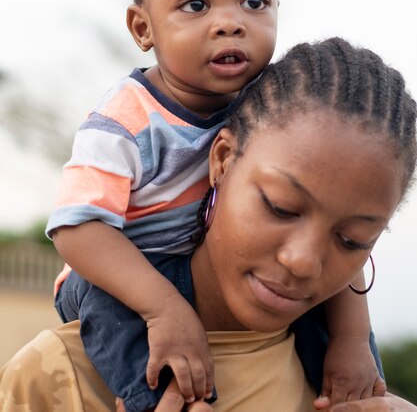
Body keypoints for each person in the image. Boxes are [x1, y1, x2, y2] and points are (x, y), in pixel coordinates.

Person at [45, 0, 381, 411]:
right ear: (143, 28)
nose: (231, 23)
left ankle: (345, 392)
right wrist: (162, 308)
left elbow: (329, 215)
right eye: (196, 5)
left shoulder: (276, 108)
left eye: (254, 1)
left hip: (204, 266)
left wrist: (355, 341)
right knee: (119, 313)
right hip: (121, 271)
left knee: (323, 300)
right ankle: (164, 398)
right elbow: (77, 227)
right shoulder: (125, 123)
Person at [1, 37, 417, 412]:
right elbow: (76, 223)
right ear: (221, 160)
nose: (303, 261)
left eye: (351, 240)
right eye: (281, 207)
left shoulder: (353, 389)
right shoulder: (55, 379)